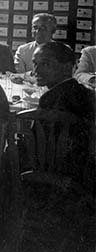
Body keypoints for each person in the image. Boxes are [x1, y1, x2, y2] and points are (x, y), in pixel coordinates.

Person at [29, 41, 95, 180]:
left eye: (45, 64)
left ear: (67, 67)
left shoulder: (50, 98)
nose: (36, 71)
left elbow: (35, 146)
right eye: (35, 64)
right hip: (82, 173)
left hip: (50, 172)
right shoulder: (86, 94)